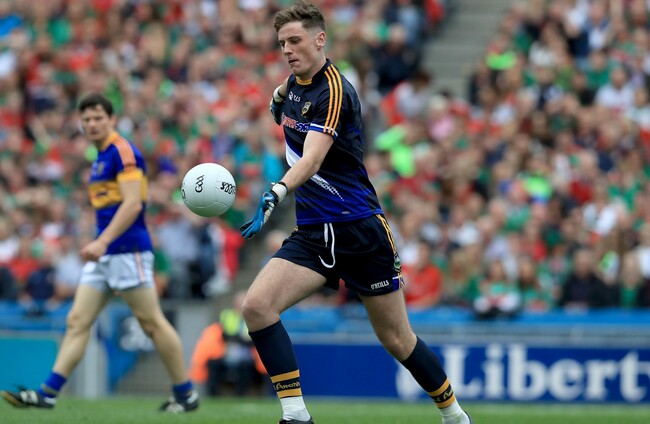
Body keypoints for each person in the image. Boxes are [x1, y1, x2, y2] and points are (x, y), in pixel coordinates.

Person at [238, 2, 471, 424]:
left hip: (359, 230)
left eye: (295, 40)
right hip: (314, 232)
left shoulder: (335, 90)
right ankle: (296, 415)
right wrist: (277, 99)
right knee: (256, 306)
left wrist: (277, 189)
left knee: (397, 338)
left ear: (319, 39)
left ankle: (454, 415)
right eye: (282, 43)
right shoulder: (294, 83)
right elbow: (287, 96)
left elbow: (312, 160)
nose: (287, 49)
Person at [0, 93, 199, 413]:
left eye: (98, 117)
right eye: (87, 119)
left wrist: (102, 242)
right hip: (104, 253)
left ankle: (186, 394)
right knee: (77, 320)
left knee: (152, 323)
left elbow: (133, 204)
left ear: (112, 119)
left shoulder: (123, 151)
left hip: (127, 251)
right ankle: (48, 394)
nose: (92, 123)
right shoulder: (100, 156)